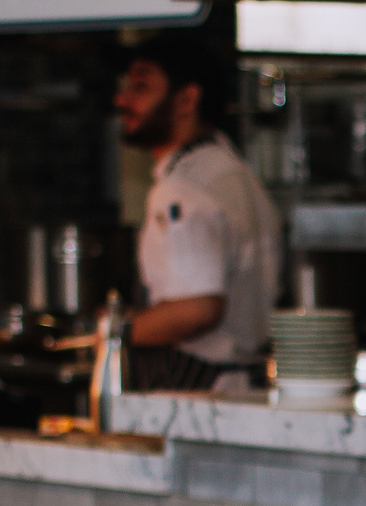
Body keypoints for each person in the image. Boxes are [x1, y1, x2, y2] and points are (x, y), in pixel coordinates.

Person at [113, 32, 279, 393]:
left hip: (197, 395)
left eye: (140, 87)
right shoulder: (235, 172)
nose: (122, 100)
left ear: (187, 99)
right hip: (244, 386)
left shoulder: (182, 190)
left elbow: (198, 309)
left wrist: (118, 331)